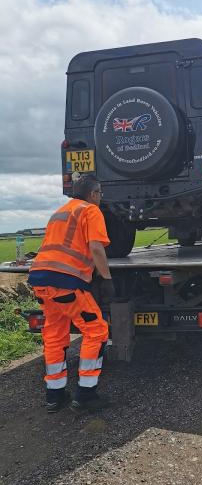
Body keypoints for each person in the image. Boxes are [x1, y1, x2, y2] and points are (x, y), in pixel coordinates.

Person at [28, 174, 115, 413]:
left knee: (55, 336)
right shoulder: (90, 210)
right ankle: (86, 395)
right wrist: (106, 279)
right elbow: (96, 247)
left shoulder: (61, 212)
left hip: (40, 280)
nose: (100, 197)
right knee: (96, 331)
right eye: (100, 194)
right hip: (67, 283)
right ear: (94, 194)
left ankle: (55, 396)